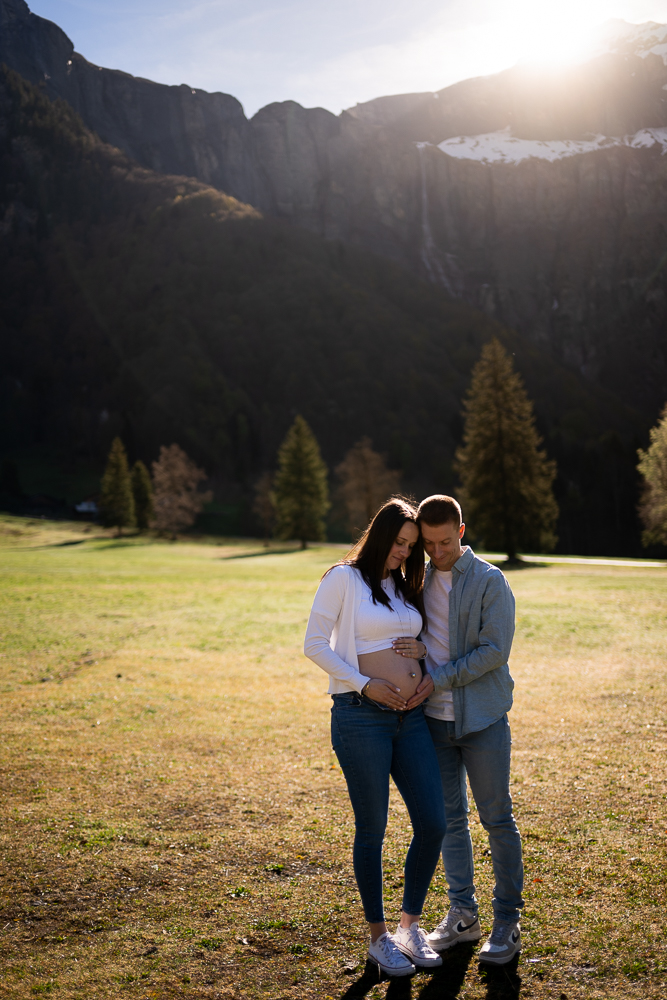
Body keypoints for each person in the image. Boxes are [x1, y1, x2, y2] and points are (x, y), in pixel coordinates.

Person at [304, 498, 446, 977]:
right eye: (399, 543)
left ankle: (409, 926)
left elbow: (413, 641)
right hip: (361, 716)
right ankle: (378, 938)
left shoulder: (403, 586)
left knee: (434, 821)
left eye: (411, 547)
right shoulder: (343, 578)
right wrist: (366, 684)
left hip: (412, 718)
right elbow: (314, 644)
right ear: (379, 535)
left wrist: (423, 664)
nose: (404, 553)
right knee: (373, 830)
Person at [413, 494, 524, 965]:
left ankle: (507, 920)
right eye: (428, 544)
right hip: (432, 723)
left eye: (444, 542)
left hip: (481, 719)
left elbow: (494, 650)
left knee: (496, 818)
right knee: (448, 822)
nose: (436, 552)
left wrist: (437, 677)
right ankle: (463, 914)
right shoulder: (413, 579)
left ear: (461, 532)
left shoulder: (489, 580)